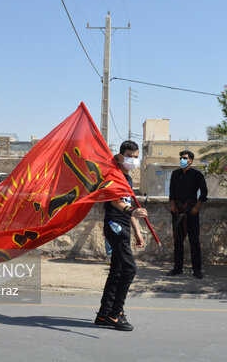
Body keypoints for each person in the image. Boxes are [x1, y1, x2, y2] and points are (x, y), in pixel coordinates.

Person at [94, 140, 147, 331]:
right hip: (114, 225)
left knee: (117, 271)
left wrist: (138, 232)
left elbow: (130, 207)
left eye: (135, 156)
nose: (132, 160)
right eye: (129, 156)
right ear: (119, 156)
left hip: (124, 226)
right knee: (129, 269)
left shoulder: (128, 179)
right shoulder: (112, 176)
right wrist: (131, 211)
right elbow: (116, 201)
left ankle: (104, 314)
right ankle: (115, 314)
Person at [167, 150, 208, 279]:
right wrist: (172, 204)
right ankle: (177, 268)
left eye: (184, 158)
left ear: (191, 160)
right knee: (177, 240)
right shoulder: (175, 174)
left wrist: (197, 206)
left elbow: (204, 192)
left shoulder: (197, 174)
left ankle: (197, 270)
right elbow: (171, 191)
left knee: (194, 240)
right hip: (177, 211)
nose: (182, 160)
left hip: (191, 211)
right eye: (181, 158)